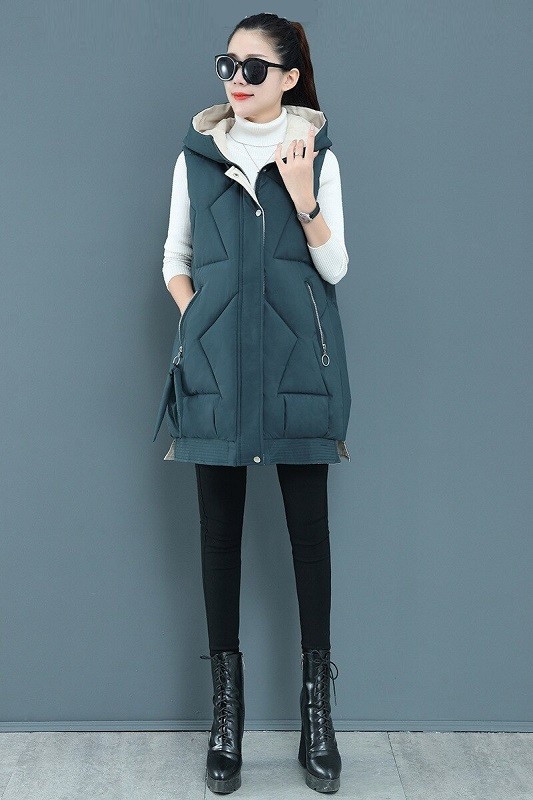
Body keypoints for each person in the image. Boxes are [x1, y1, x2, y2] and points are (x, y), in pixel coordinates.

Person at [153, 12, 352, 795]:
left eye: (253, 68)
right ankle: (225, 720)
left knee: (310, 542)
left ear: (289, 78)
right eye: (227, 65)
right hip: (215, 374)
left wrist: (302, 195)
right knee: (218, 543)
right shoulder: (198, 156)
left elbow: (335, 269)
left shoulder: (316, 154)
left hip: (301, 371)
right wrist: (199, 325)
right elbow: (174, 260)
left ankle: (316, 718)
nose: (236, 80)